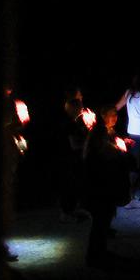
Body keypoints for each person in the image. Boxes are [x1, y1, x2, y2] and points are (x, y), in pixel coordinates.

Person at [82, 107, 131, 266]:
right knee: (100, 220)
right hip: (100, 183)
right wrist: (119, 149)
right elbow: (102, 154)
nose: (115, 118)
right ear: (103, 116)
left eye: (116, 114)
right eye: (111, 114)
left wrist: (122, 144)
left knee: (104, 220)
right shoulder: (99, 133)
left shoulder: (108, 131)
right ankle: (95, 256)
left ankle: (99, 251)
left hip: (106, 181)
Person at [116, 75, 140, 208]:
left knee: (131, 163)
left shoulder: (128, 93)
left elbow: (117, 107)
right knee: (136, 166)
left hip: (131, 131)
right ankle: (130, 199)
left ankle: (129, 195)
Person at [58, 87, 91, 222]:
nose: (82, 109)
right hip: (70, 159)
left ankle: (72, 209)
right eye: (80, 107)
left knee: (74, 184)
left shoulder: (74, 122)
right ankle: (66, 213)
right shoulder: (70, 124)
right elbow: (74, 144)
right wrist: (88, 144)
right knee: (70, 185)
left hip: (72, 159)